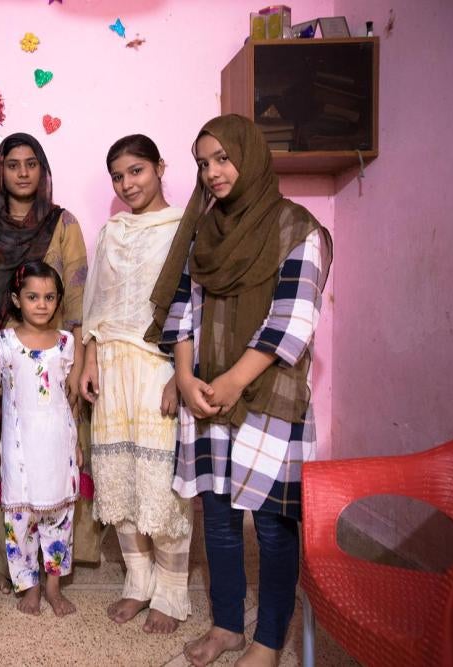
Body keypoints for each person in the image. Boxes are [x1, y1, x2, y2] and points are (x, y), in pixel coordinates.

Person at [146, 114, 333, 667]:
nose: (213, 172)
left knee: (273, 524)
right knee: (219, 516)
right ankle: (228, 626)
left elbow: (291, 321)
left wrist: (231, 381)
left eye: (223, 158)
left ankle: (269, 642)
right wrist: (185, 378)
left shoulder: (299, 230)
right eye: (203, 163)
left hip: (267, 396)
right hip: (205, 391)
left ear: (249, 156)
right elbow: (181, 308)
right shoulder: (205, 230)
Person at [0, 132, 100, 595]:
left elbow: (79, 295)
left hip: (54, 358)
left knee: (57, 456)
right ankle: (6, 569)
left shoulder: (63, 224)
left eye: (31, 163)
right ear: (0, 172)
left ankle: (57, 568)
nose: (23, 172)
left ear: (42, 171)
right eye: (12, 164)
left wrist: (82, 360)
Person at [80, 135, 193, 634]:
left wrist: (182, 376)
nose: (128, 184)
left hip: (160, 364)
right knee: (119, 476)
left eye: (137, 171)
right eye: (118, 176)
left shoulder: (186, 227)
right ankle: (137, 580)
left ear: (160, 168)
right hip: (110, 362)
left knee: (160, 482)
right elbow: (95, 303)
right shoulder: (111, 230)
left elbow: (196, 306)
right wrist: (88, 357)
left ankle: (172, 589)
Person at [0, 260, 80, 617]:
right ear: (16, 299)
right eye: (33, 296)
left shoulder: (67, 343)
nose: (42, 304)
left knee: (59, 517)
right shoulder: (4, 342)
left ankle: (54, 588)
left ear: (58, 301)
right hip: (19, 447)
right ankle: (30, 587)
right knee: (20, 522)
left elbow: (71, 400)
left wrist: (77, 444)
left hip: (58, 445)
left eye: (49, 297)